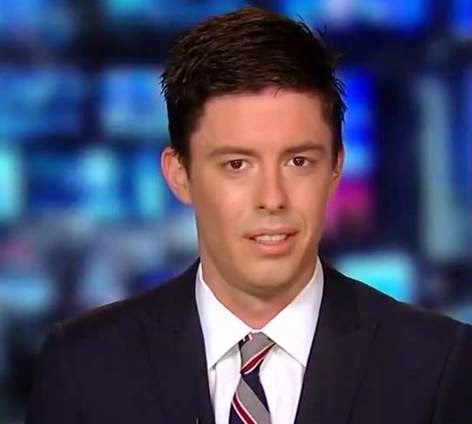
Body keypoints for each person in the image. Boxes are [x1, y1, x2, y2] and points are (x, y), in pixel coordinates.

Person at [26, 7, 471, 424]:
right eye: (237, 165)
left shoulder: (437, 365)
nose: (272, 198)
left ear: (335, 168)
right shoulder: (83, 367)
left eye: (298, 161)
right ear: (179, 175)